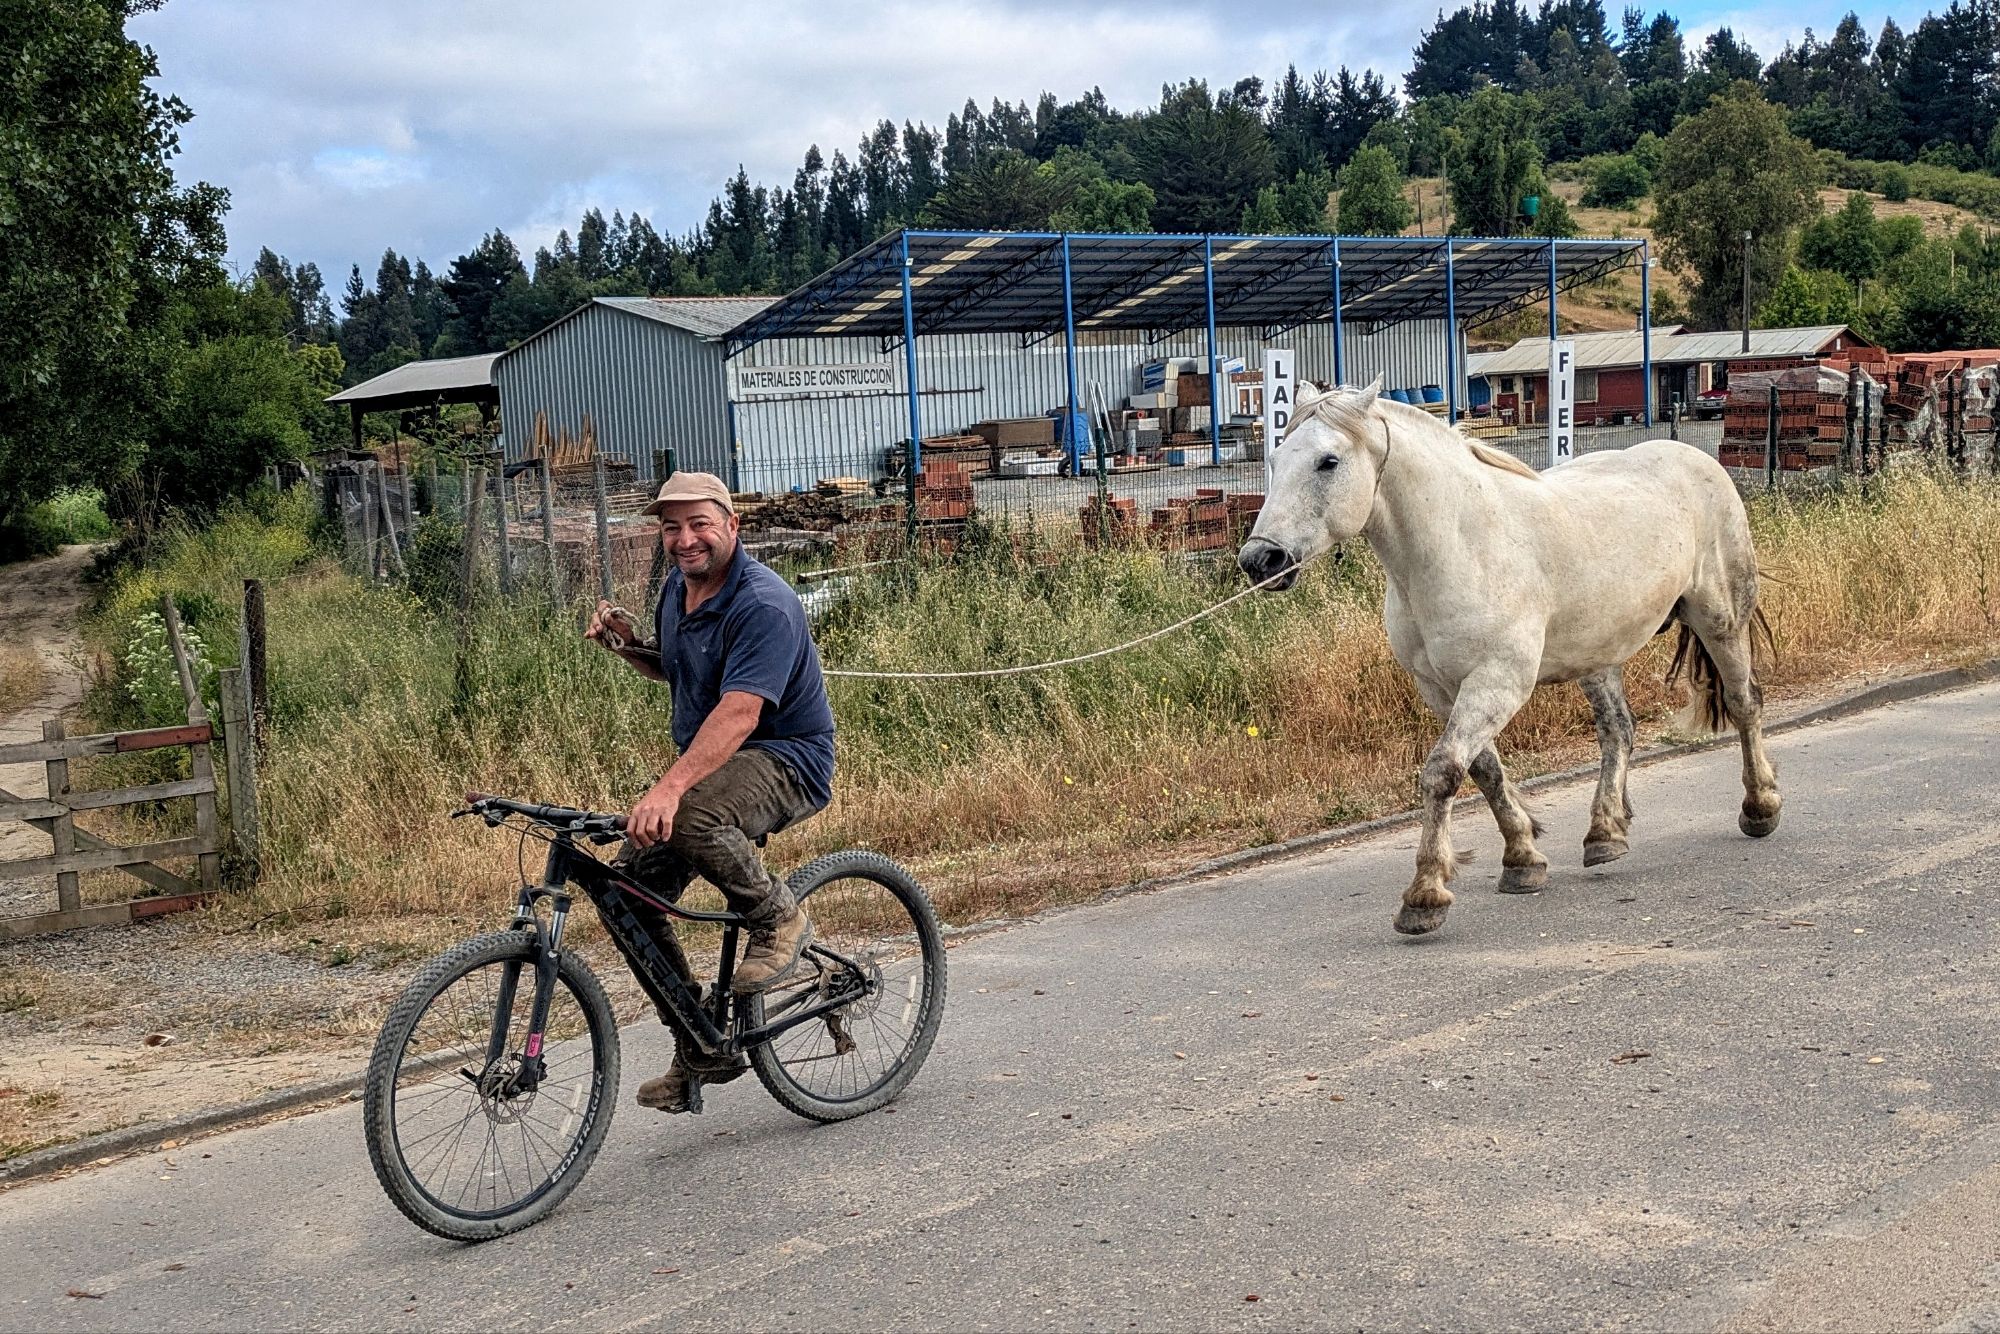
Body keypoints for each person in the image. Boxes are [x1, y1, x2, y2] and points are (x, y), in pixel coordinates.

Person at [584, 470, 835, 1113]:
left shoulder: (764, 605)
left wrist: (668, 789)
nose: (685, 539)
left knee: (691, 814)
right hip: (726, 763)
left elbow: (740, 713)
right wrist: (629, 647)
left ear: (731, 526)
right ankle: (700, 1043)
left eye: (700, 524)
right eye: (672, 527)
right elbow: (678, 668)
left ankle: (781, 918)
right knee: (626, 896)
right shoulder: (679, 589)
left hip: (786, 758)